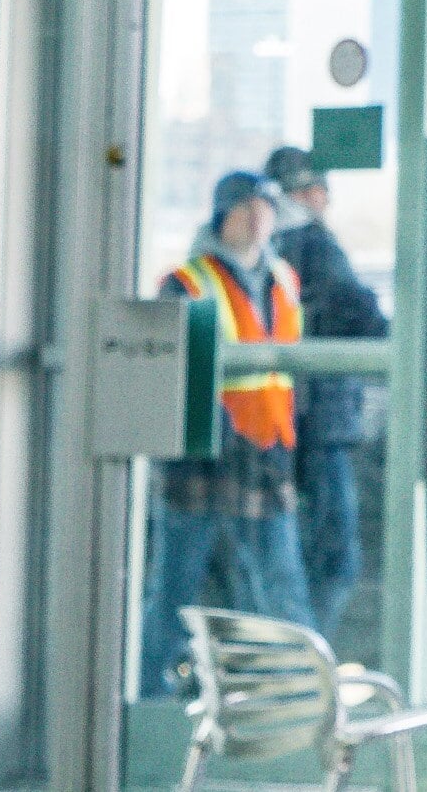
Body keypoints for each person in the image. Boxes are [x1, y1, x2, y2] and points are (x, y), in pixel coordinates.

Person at [139, 171, 312, 694]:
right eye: (245, 208)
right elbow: (170, 380)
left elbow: (291, 371)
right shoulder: (187, 282)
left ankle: (299, 694)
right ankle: (149, 699)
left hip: (265, 460)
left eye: (264, 208)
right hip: (200, 465)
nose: (257, 219)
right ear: (222, 217)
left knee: (280, 591)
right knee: (176, 592)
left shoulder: (284, 280)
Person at [263, 145, 389, 645]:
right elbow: (360, 314)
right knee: (335, 559)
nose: (324, 200)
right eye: (317, 190)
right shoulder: (312, 245)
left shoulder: (267, 251)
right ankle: (305, 658)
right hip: (322, 421)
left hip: (278, 423)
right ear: (301, 194)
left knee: (285, 558)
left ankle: (292, 655)